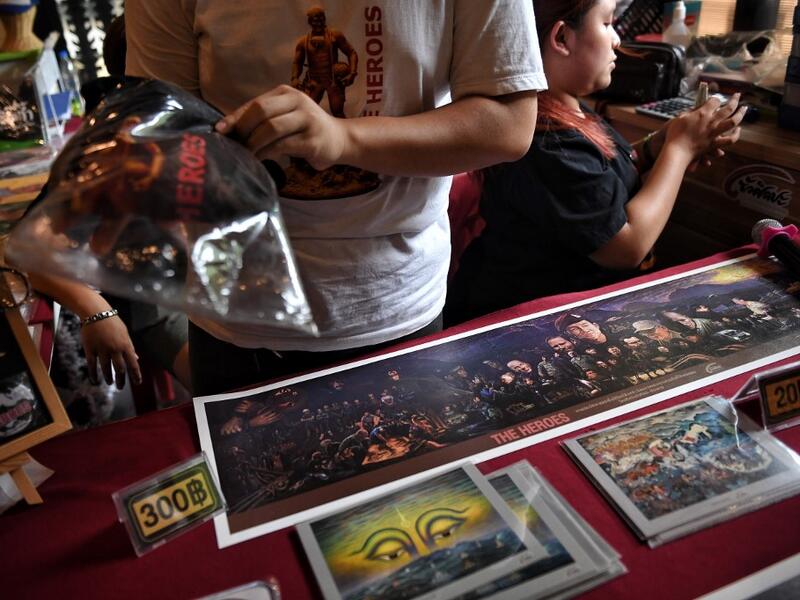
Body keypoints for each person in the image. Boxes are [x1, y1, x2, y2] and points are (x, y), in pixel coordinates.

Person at [125, 2, 546, 396]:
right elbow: (158, 127)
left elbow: (509, 123)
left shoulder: (331, 40)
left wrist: (342, 137)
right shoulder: (307, 43)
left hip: (398, 301)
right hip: (233, 313)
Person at [444, 0, 746, 326]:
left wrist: (655, 148)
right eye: (606, 23)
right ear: (562, 38)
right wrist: (680, 148)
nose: (617, 40)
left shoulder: (566, 111)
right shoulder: (546, 140)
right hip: (539, 322)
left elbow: (598, 174)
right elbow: (627, 246)